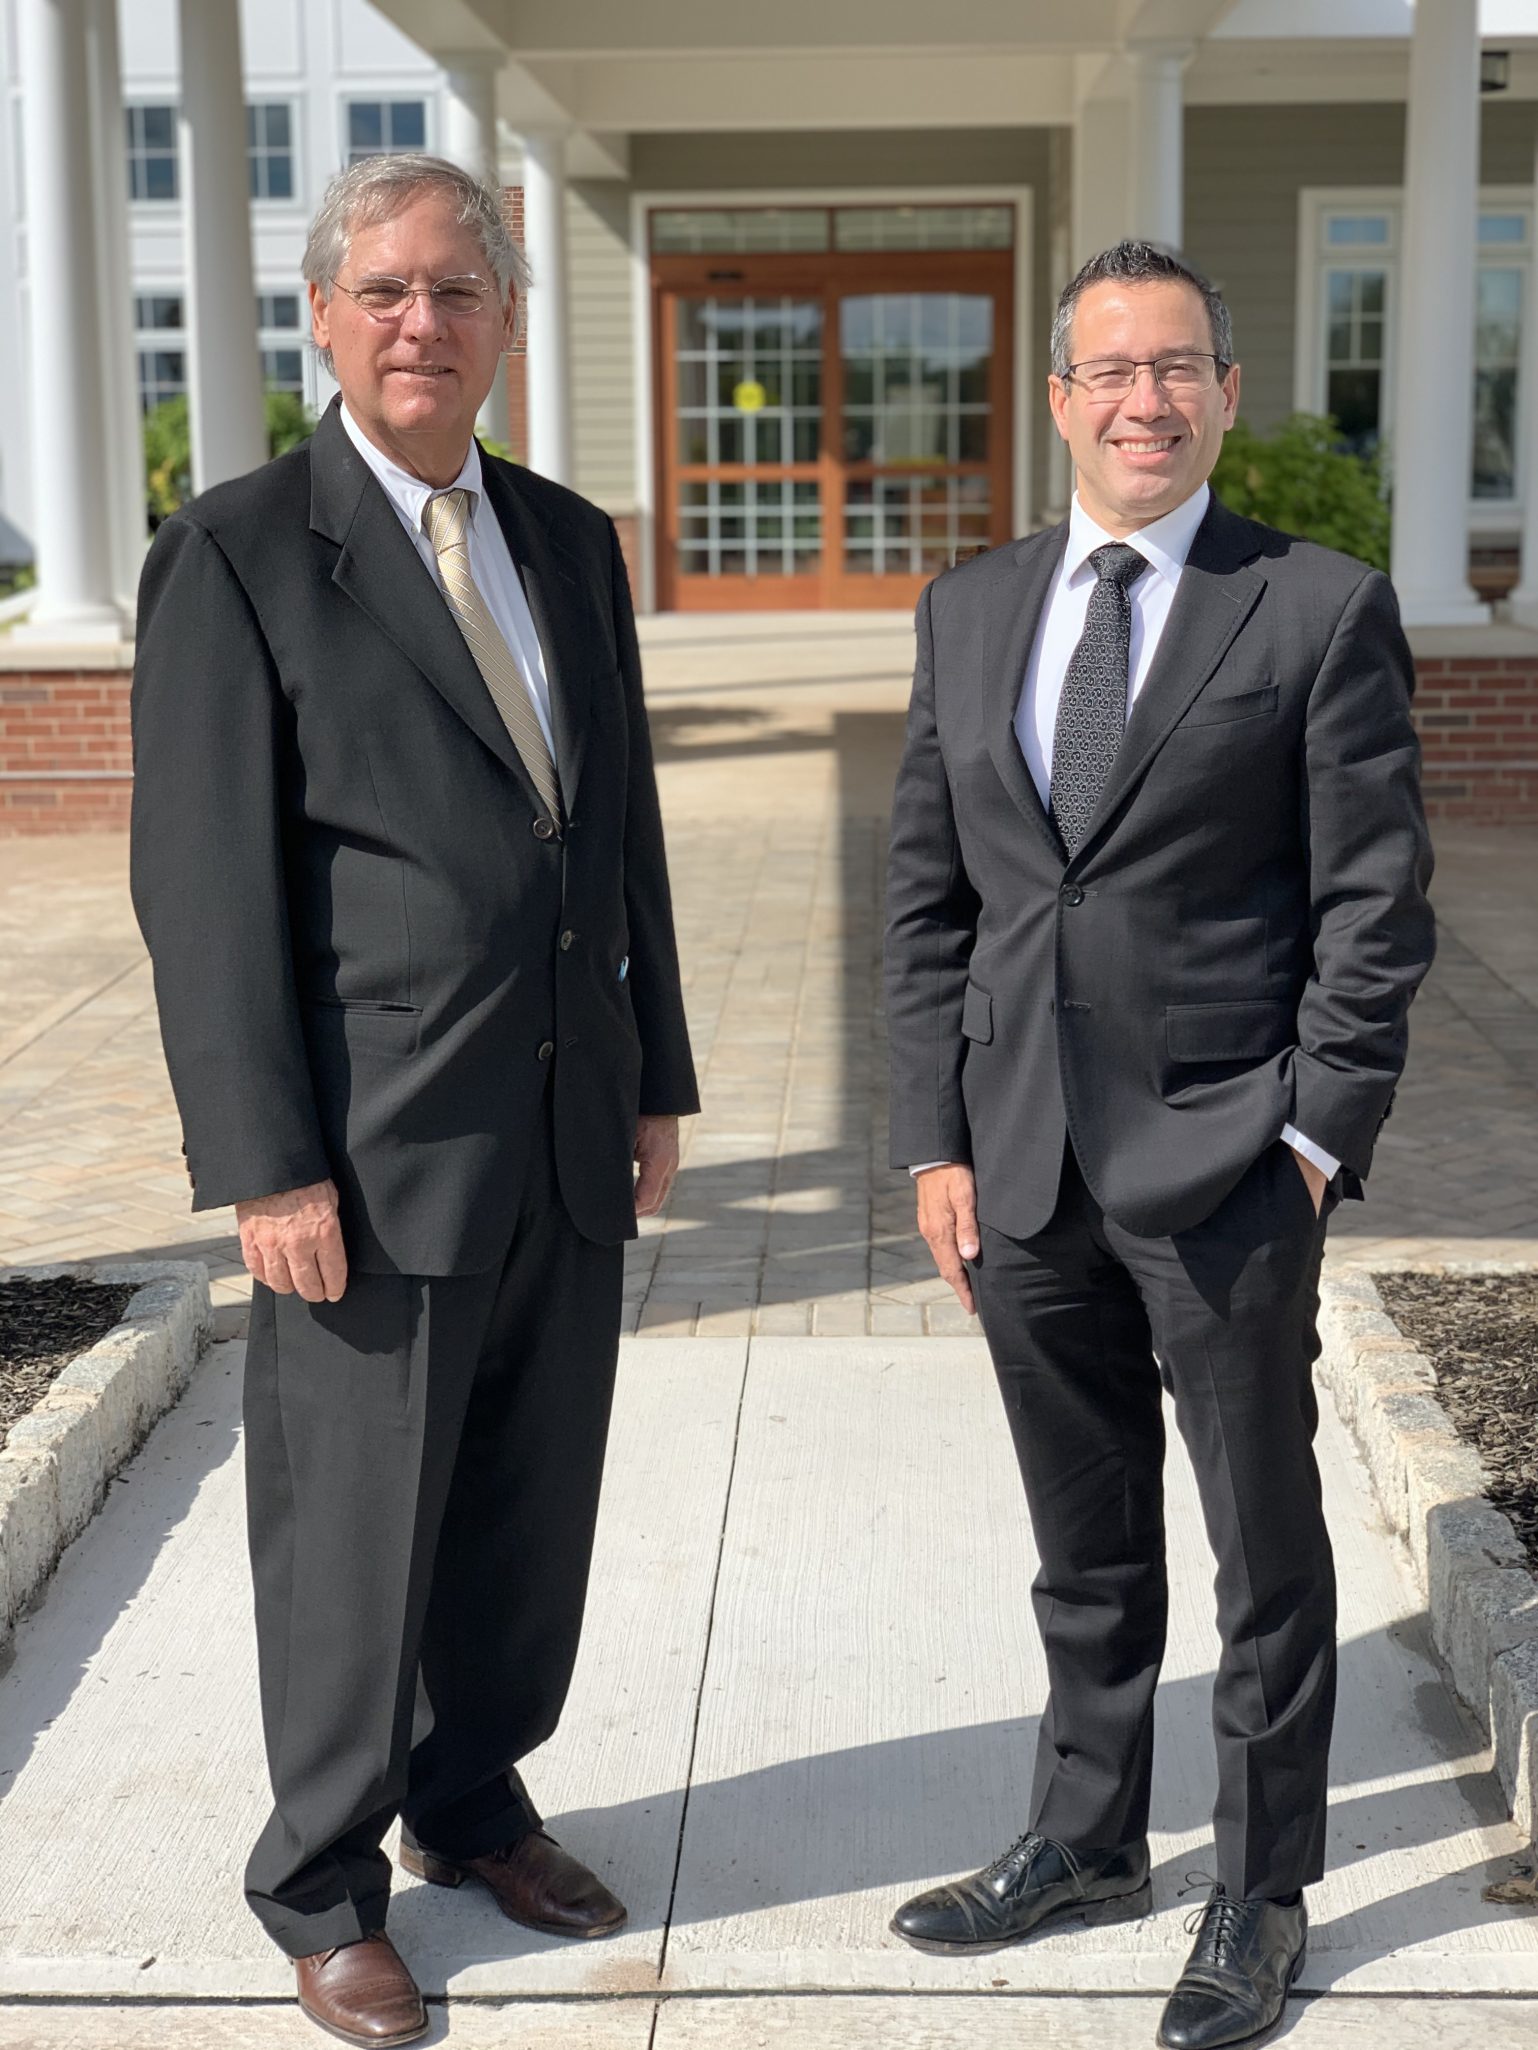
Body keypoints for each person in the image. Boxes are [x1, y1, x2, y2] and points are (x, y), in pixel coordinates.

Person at [130, 154, 698, 2048]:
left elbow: (614, 836)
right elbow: (203, 892)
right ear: (325, 316)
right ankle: (318, 1875)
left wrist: (658, 1071)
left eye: (458, 294)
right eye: (384, 292)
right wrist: (263, 1158)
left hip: (561, 1125)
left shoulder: (567, 538)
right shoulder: (238, 553)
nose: (420, 326)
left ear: (507, 325)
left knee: (530, 1515)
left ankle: (473, 1805)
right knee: (360, 1542)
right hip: (365, 1163)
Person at [883, 240, 1434, 2050]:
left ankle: (1260, 1888)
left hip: (1224, 1163)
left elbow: (1374, 907)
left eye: (1177, 366)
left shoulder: (1315, 608)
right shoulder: (968, 610)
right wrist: (932, 1140)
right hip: (1018, 1160)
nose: (1144, 398)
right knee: (1083, 1537)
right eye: (1109, 369)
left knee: (1261, 1545)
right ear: (1056, 398)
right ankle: (1083, 1832)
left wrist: (1312, 1138)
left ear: (1224, 392)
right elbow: (926, 900)